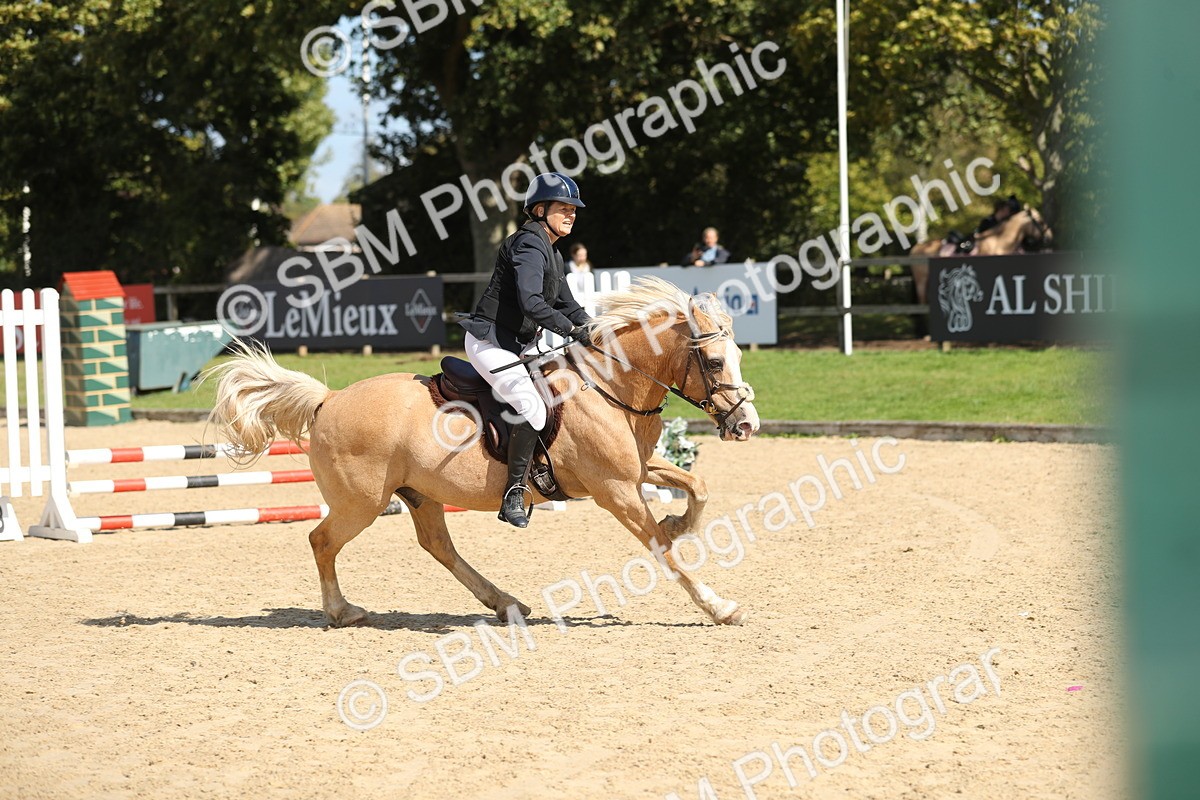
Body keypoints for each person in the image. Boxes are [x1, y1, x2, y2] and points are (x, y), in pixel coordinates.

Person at [459, 172, 592, 528]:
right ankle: (513, 491)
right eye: (564, 208)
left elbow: (568, 304)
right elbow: (532, 303)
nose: (571, 215)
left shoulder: (552, 251)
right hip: (491, 343)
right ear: (539, 209)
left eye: (574, 210)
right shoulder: (529, 245)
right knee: (532, 408)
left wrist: (594, 327)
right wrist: (573, 330)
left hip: (517, 346)